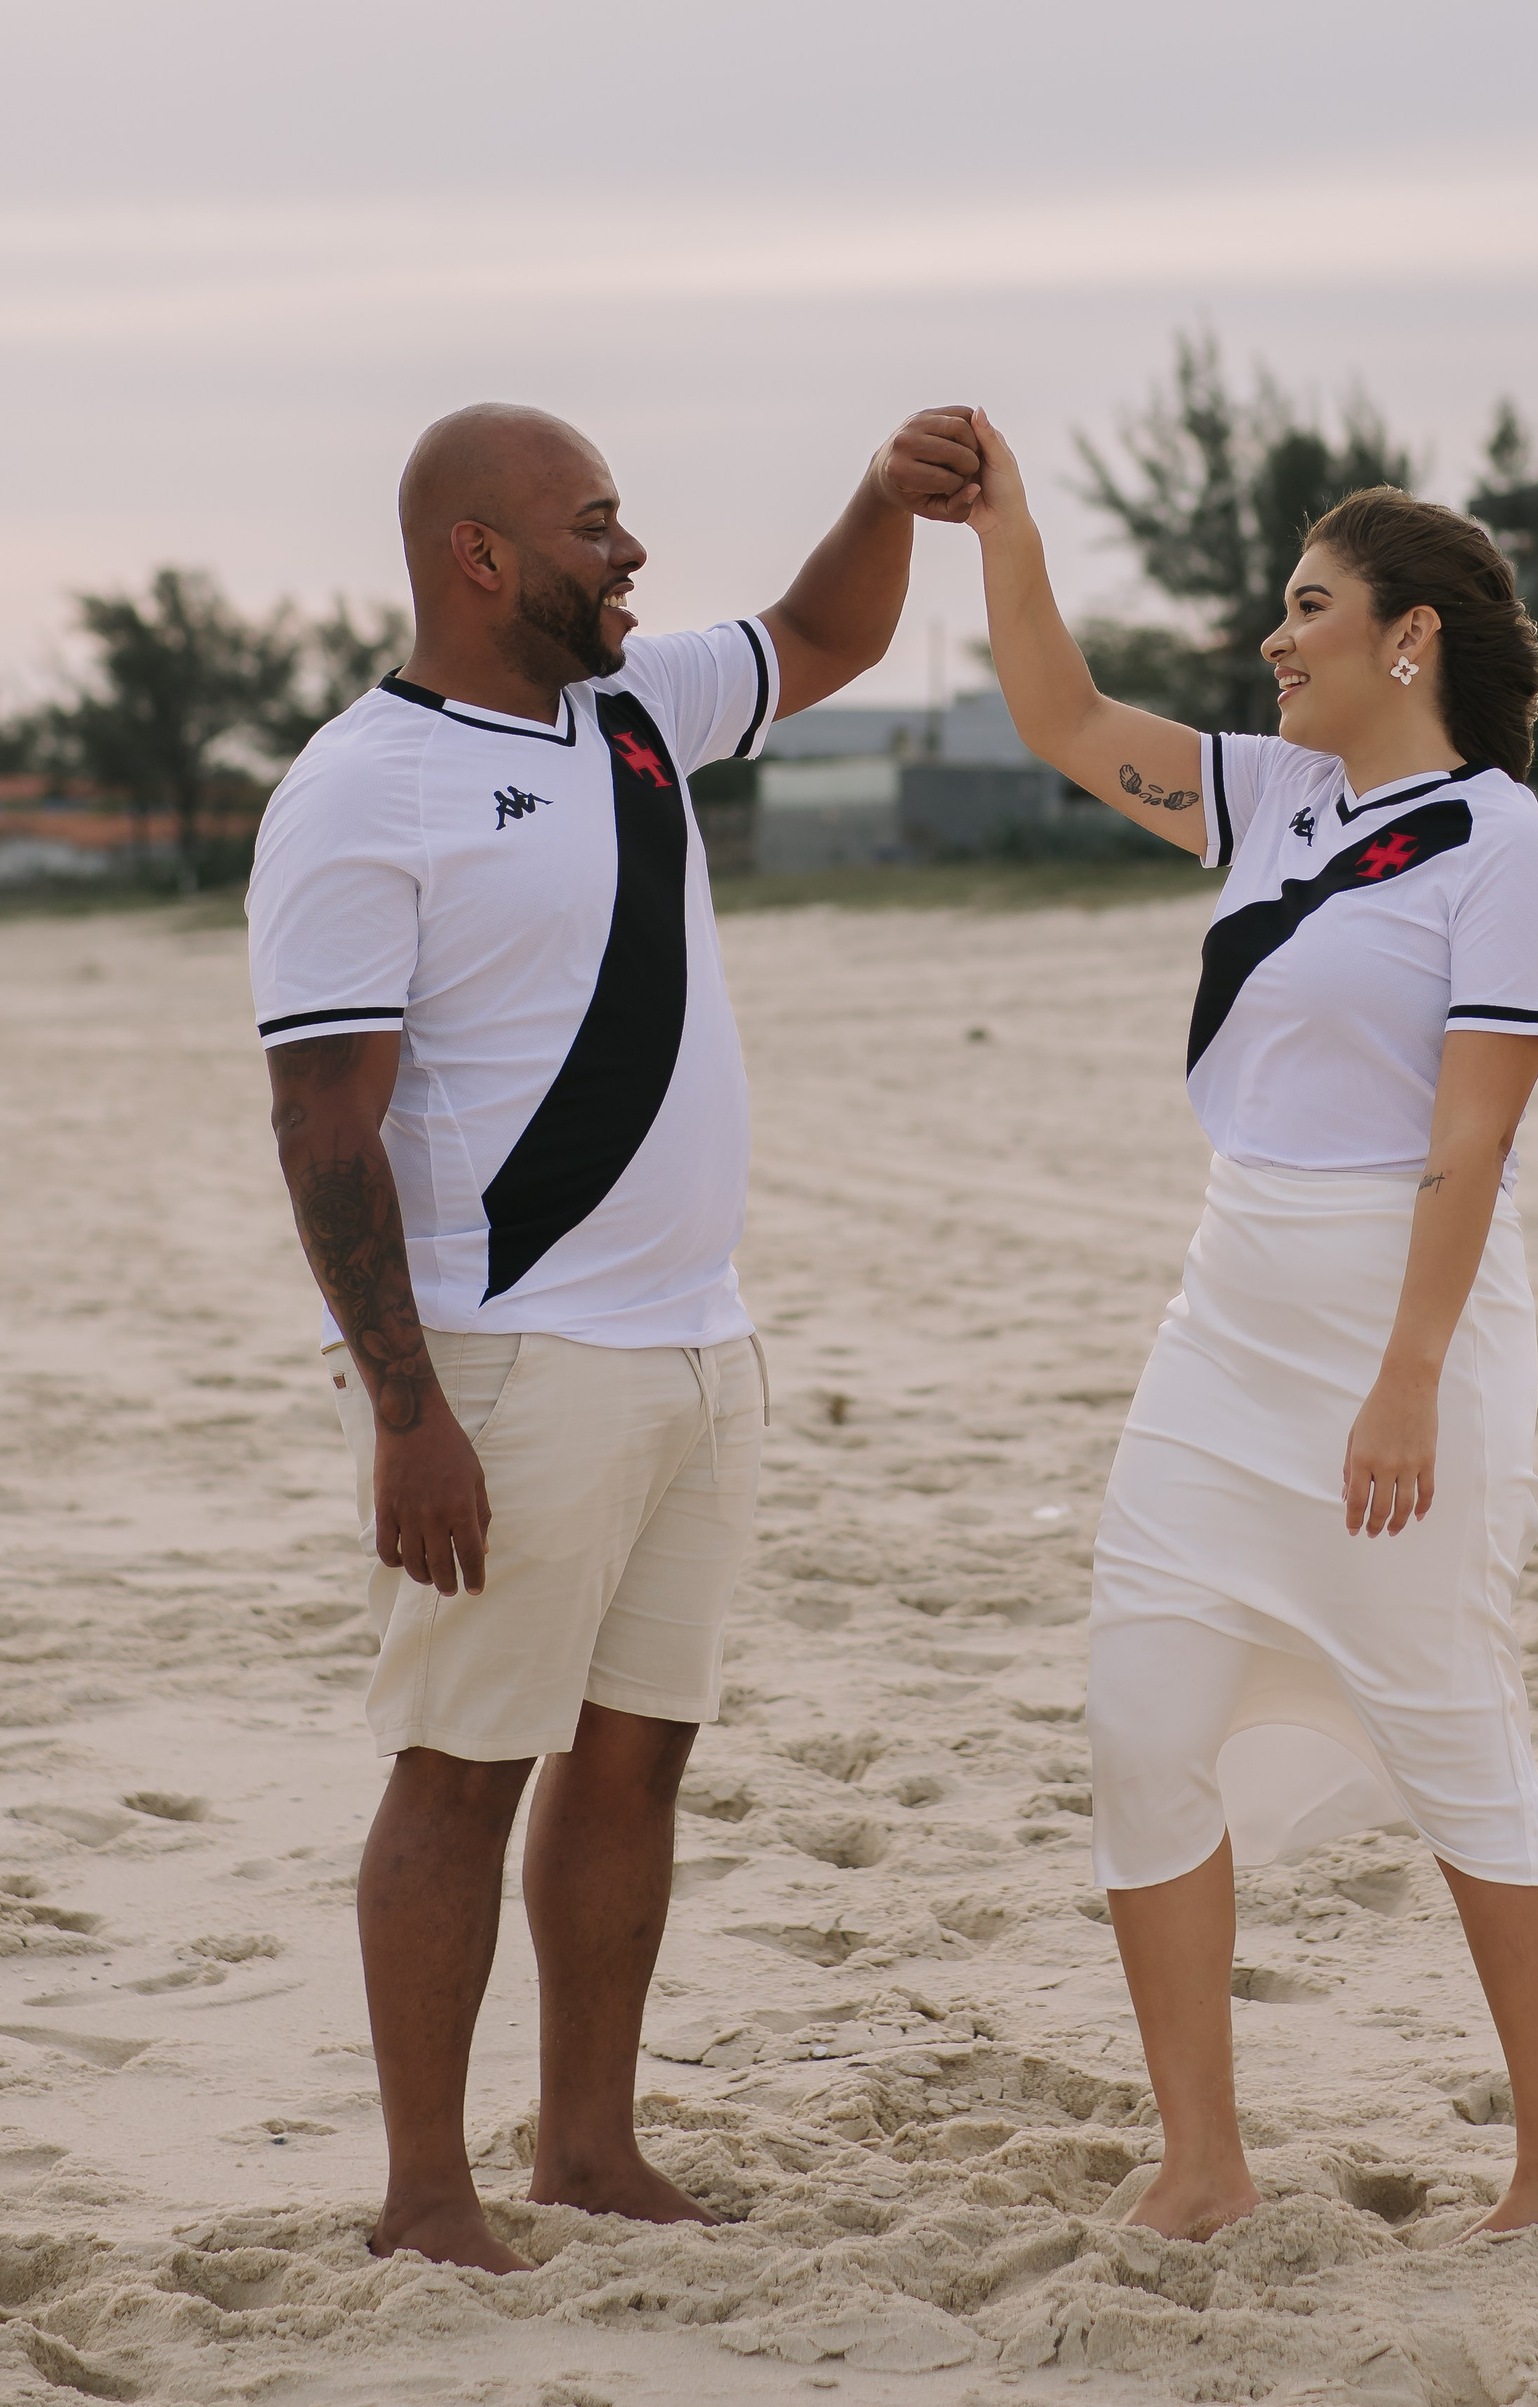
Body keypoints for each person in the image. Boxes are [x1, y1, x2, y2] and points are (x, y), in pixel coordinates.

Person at [248, 398, 981, 2275]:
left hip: (695, 1341)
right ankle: (428, 2197)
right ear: (481, 556)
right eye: (593, 524)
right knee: (461, 1765)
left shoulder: (636, 710)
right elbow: (322, 1126)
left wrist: (881, 497)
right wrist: (407, 1412)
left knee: (636, 1755)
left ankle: (587, 2149)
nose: (630, 551)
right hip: (504, 1358)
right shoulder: (362, 787)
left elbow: (825, 637)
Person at [963, 409, 1538, 2244]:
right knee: (1140, 1724)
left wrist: (1406, 1379)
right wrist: (1005, 524)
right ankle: (1204, 2168)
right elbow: (1064, 718)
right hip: (1225, 1327)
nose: (1275, 637)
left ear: (1411, 637)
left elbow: (1471, 1142)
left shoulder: (1508, 849)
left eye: (1308, 606)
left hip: (1405, 1342)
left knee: (1455, 1736)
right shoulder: (1265, 796)